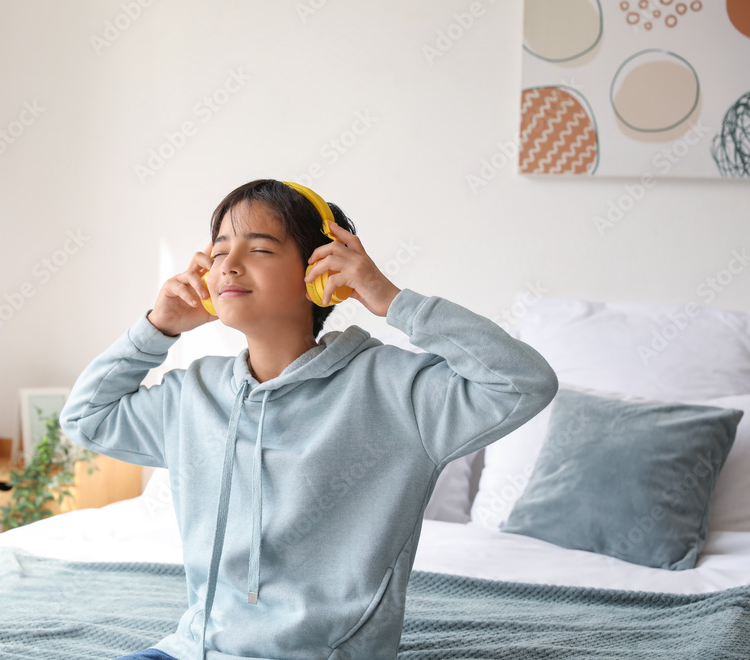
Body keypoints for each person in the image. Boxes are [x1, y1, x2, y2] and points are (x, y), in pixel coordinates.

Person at [60, 179, 558, 660]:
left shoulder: (395, 390)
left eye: (258, 249)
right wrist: (157, 327)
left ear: (319, 273)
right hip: (189, 652)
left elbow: (523, 383)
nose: (228, 266)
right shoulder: (193, 394)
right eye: (217, 253)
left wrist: (390, 300)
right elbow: (85, 418)